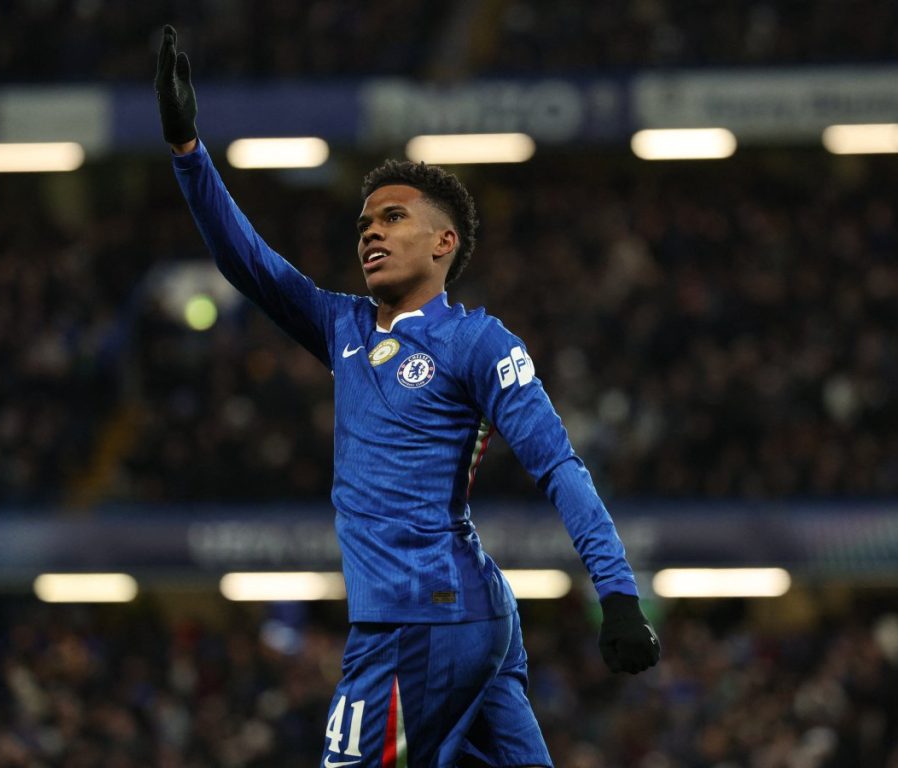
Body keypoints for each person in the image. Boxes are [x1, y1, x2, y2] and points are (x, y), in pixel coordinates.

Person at [155, 25, 659, 768]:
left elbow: (559, 466)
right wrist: (188, 153)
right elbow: (251, 265)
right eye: (364, 224)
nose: (371, 234)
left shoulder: (478, 343)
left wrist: (616, 593)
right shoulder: (343, 325)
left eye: (393, 219)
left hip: (418, 619)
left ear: (443, 243)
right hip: (463, 618)